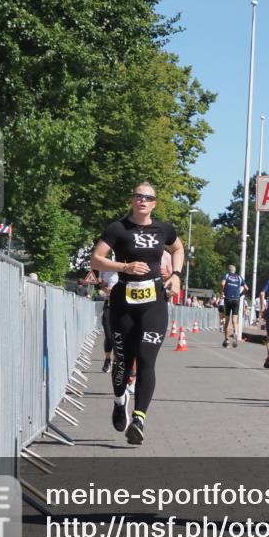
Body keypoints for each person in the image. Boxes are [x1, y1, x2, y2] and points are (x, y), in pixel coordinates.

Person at [90, 182, 184, 445]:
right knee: (123, 360)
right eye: (138, 196)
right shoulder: (118, 228)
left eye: (148, 197)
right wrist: (125, 266)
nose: (142, 200)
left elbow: (178, 248)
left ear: (154, 203)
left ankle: (139, 418)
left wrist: (176, 276)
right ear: (132, 200)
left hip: (154, 301)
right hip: (124, 300)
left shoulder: (164, 229)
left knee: (146, 359)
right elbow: (96, 260)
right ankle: (120, 401)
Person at [220, 264, 247, 348]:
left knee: (227, 320)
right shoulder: (239, 277)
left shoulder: (227, 275)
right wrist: (241, 294)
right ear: (235, 270)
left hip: (227, 299)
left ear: (229, 270)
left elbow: (222, 283)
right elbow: (246, 288)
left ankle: (226, 340)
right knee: (235, 320)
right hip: (236, 299)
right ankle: (235, 333)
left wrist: (222, 292)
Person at [98, 269, 119, 373]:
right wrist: (106, 289)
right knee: (109, 335)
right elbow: (102, 287)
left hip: (124, 307)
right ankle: (107, 359)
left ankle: (116, 361)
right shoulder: (107, 270)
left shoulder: (129, 269)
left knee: (118, 336)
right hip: (109, 305)